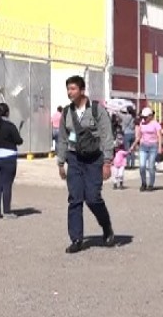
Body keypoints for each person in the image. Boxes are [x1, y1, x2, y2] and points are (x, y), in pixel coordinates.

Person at [56, 75, 115, 254]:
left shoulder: (97, 110)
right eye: (68, 89)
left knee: (93, 198)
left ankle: (106, 227)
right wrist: (60, 162)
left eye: (73, 89)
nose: (70, 92)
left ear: (82, 91)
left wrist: (107, 162)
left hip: (94, 159)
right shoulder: (67, 112)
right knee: (75, 198)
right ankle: (76, 239)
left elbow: (106, 136)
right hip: (74, 159)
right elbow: (63, 138)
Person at [133, 107, 162, 191]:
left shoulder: (155, 124)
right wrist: (133, 145)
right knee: (142, 166)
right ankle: (143, 183)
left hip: (153, 146)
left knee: (151, 166)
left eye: (145, 117)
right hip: (143, 146)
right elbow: (139, 136)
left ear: (150, 116)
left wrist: (160, 147)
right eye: (143, 117)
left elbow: (159, 136)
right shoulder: (142, 124)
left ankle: (151, 184)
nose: (144, 118)